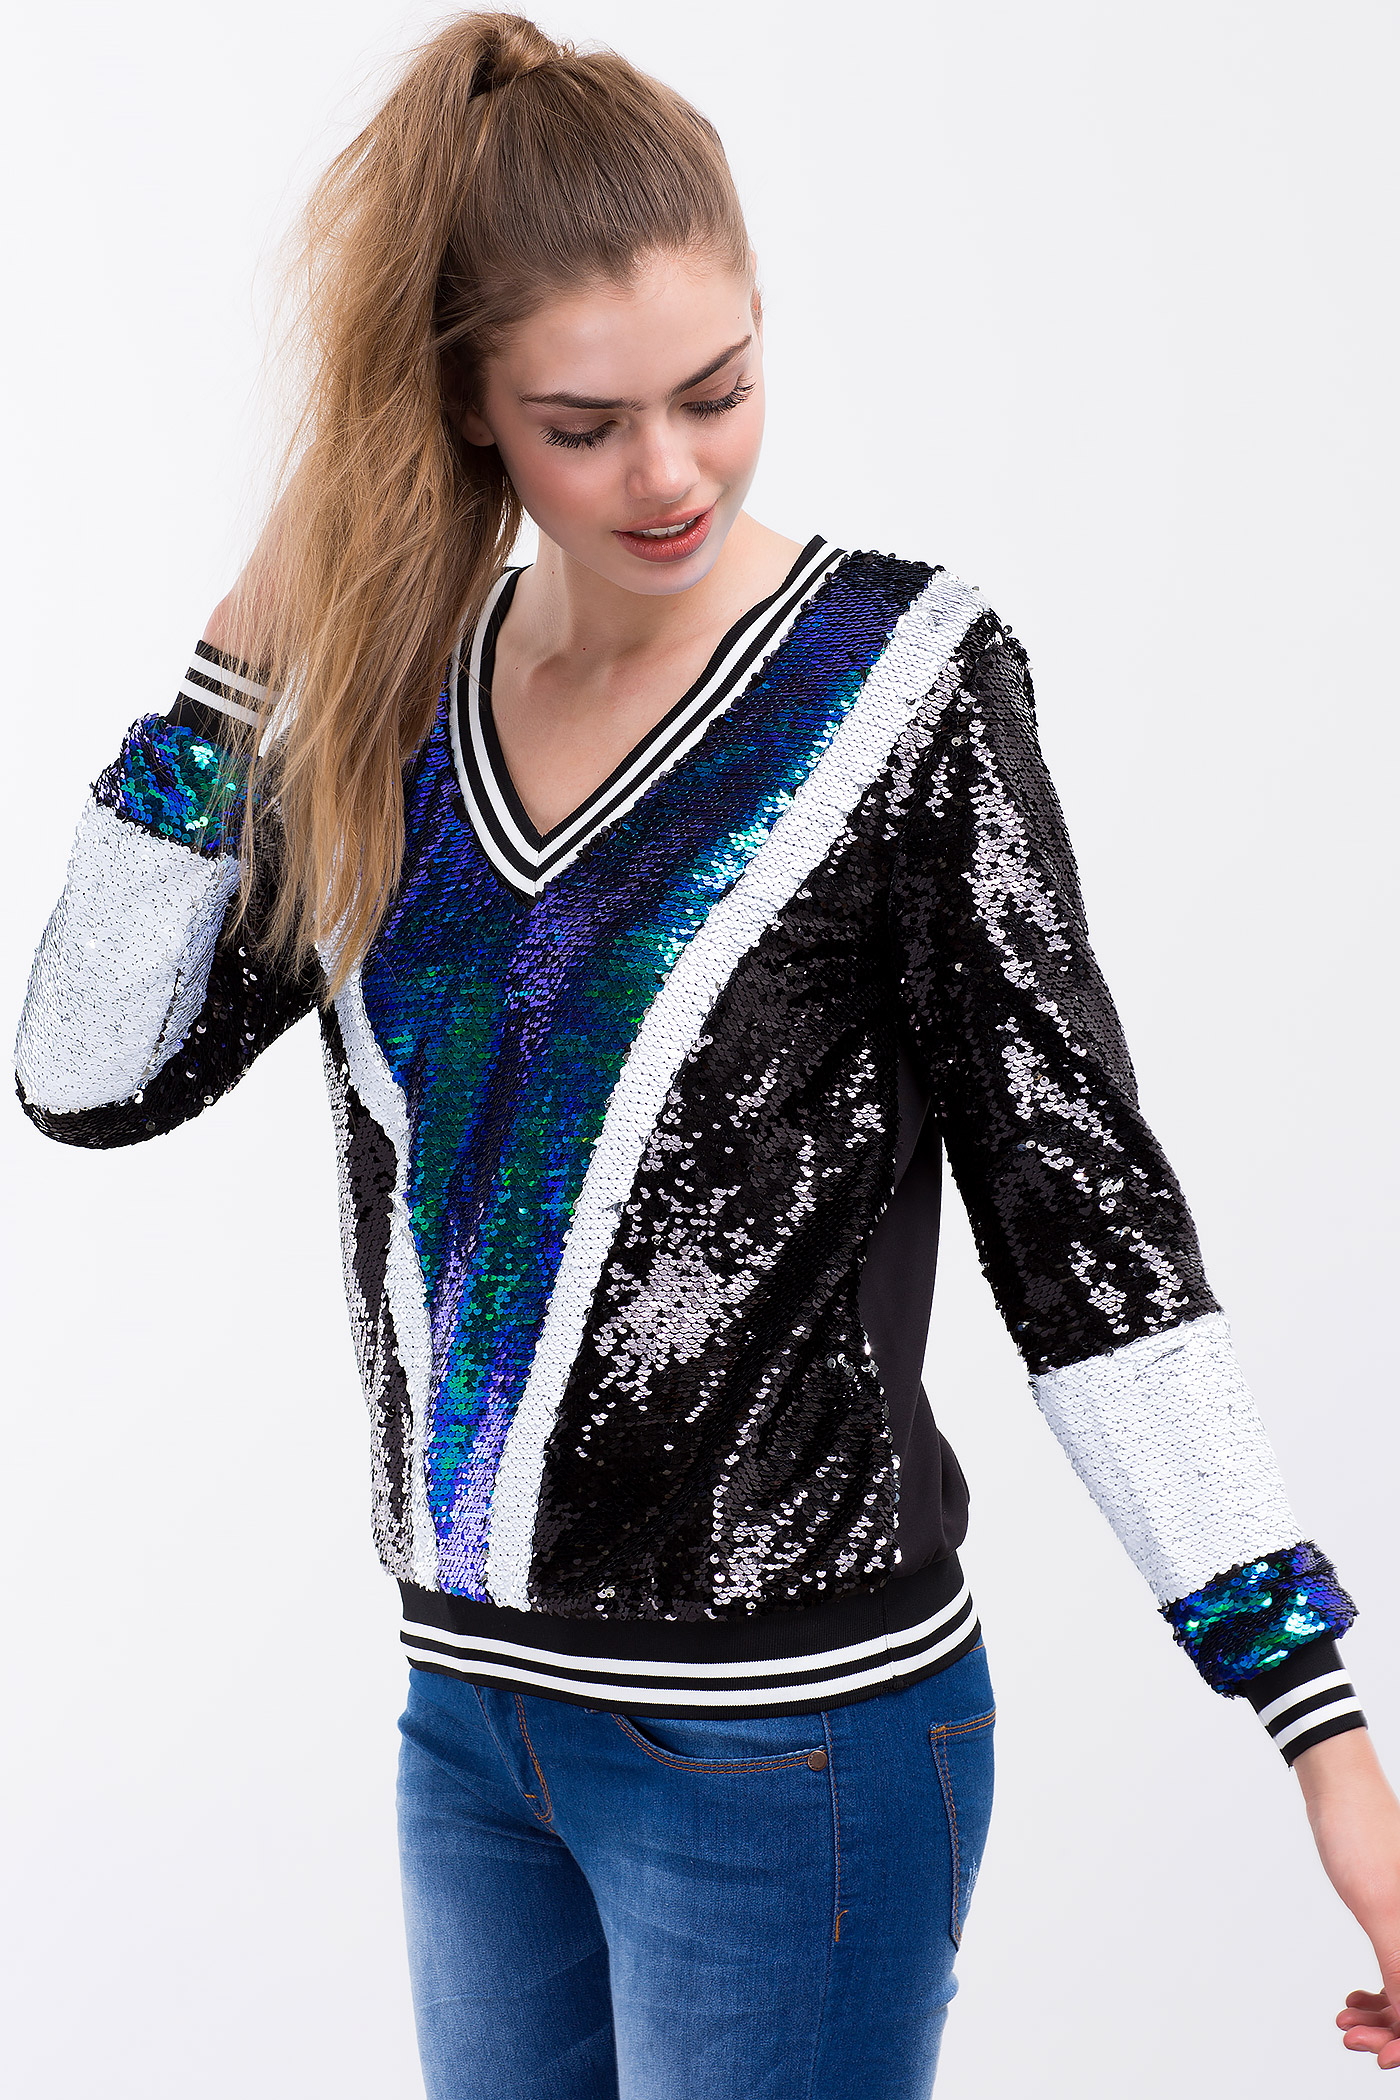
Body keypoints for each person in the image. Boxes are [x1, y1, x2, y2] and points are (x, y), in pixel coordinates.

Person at [13, 12, 1400, 2096]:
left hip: (793, 1749)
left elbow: (1084, 1226)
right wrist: (240, 664)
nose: (669, 474)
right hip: (468, 1727)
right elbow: (87, 1071)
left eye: (719, 392)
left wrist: (1317, 1732)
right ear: (460, 408)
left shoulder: (898, 691)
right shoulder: (398, 709)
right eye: (584, 425)